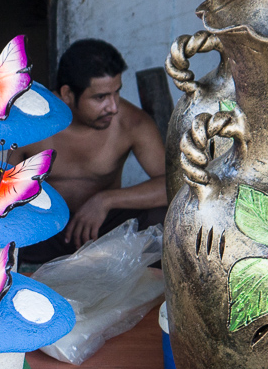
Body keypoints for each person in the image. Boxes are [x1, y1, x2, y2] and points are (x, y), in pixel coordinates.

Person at [13, 39, 167, 264]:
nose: (113, 107)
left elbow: (172, 186)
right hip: (44, 231)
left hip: (105, 234)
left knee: (166, 217)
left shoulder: (131, 123)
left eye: (116, 93)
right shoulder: (30, 126)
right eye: (100, 97)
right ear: (67, 94)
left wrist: (105, 200)